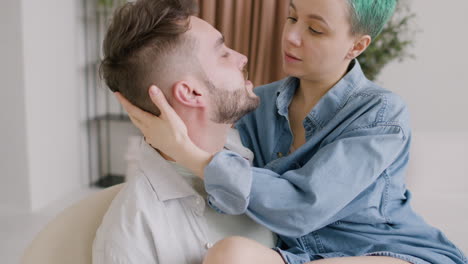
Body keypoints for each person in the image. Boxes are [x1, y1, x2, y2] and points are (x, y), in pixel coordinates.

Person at [116, 0, 468, 263]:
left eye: (315, 29)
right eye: (292, 16)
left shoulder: (380, 114)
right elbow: (221, 175)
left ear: (357, 46)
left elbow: (302, 207)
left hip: (386, 254)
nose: (292, 36)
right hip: (300, 256)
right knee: (232, 255)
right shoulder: (258, 104)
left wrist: (191, 156)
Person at [92, 0, 276, 263]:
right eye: (223, 54)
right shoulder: (132, 233)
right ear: (190, 93)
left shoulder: (264, 151)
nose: (241, 58)